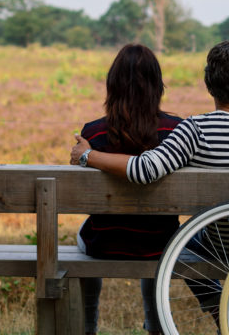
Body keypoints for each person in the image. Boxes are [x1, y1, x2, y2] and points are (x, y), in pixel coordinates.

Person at [71, 40, 229, 334]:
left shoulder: (195, 130)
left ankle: (219, 308)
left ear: (208, 84)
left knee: (176, 239)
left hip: (219, 242)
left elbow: (145, 169)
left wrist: (87, 155)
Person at [74, 44, 182, 335]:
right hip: (160, 244)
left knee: (82, 233)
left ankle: (88, 326)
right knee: (157, 238)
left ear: (113, 85)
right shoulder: (175, 131)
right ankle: (156, 327)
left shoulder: (92, 134)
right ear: (157, 85)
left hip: (105, 244)